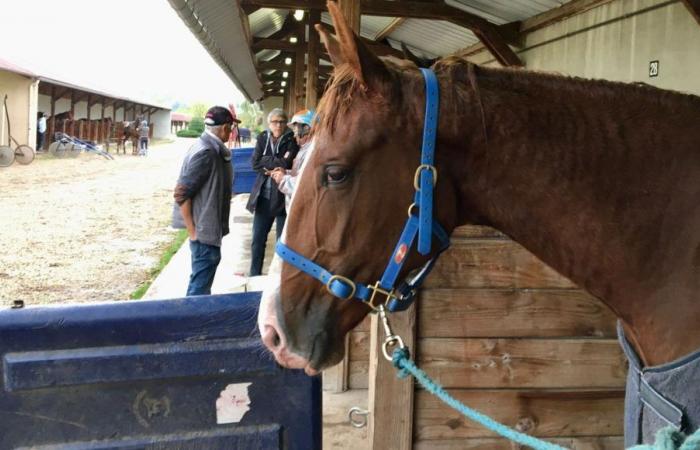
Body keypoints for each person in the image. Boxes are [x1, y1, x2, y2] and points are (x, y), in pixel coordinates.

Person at [172, 106, 240, 296]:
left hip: (207, 230)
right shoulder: (207, 152)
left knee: (201, 284)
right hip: (203, 234)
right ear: (226, 127)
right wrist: (193, 232)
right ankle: (193, 324)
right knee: (199, 290)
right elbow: (181, 193)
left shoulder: (211, 148)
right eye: (232, 127)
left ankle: (194, 320)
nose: (233, 131)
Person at [246, 108, 298, 276]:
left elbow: (287, 162)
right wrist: (276, 164)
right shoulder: (263, 137)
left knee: (282, 243)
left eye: (282, 121)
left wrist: (266, 161)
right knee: (257, 240)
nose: (279, 125)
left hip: (283, 198)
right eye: (275, 122)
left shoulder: (291, 140)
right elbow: (254, 163)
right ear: (269, 124)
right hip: (263, 197)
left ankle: (278, 277)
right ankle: (254, 274)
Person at [270, 109, 315, 212]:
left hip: (304, 212)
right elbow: (300, 174)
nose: (294, 134)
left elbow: (306, 186)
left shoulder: (313, 152)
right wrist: (286, 172)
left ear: (306, 128)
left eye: (296, 128)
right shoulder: (305, 149)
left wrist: (283, 179)